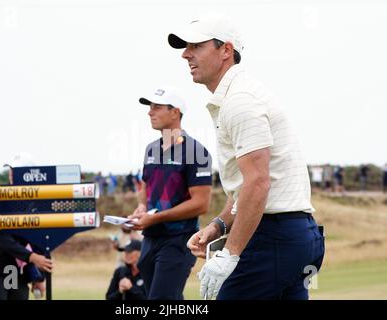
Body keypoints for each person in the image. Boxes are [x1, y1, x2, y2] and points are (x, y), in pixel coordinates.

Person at [168, 15, 325, 300]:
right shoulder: (239, 95)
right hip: (296, 237)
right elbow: (246, 188)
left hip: (273, 238)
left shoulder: (240, 101)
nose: (185, 54)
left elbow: (258, 182)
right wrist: (219, 225)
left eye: (196, 46)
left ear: (225, 50)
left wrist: (230, 253)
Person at [127, 85, 213, 300]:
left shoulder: (196, 151)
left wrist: (155, 217)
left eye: (157, 107)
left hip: (178, 239)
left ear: (175, 112)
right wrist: (141, 209)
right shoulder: (151, 149)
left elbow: (201, 204)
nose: (150, 112)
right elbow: (146, 188)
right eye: (150, 107)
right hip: (150, 238)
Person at [0, 153, 53, 300]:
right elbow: (1, 237)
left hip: (19, 273)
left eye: (16, 170)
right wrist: (32, 257)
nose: (11, 173)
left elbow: (41, 240)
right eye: (11, 169)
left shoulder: (38, 201)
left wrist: (39, 277)